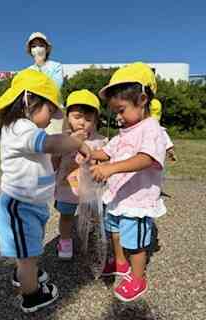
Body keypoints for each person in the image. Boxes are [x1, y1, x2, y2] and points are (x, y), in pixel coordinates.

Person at [0, 69, 90, 313]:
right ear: (28, 101)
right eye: (50, 110)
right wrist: (76, 141)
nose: (52, 116)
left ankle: (24, 270)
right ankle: (31, 295)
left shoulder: (25, 128)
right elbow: (50, 143)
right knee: (27, 251)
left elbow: (48, 144)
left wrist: (70, 142)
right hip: (20, 205)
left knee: (28, 248)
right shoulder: (20, 127)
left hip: (30, 203)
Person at [89, 62, 167, 302]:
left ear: (142, 100)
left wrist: (111, 168)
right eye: (115, 112)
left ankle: (138, 276)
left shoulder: (151, 128)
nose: (118, 117)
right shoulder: (125, 131)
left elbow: (146, 158)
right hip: (117, 197)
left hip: (137, 201)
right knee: (115, 232)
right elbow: (107, 152)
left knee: (135, 243)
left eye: (121, 110)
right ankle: (120, 263)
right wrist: (87, 152)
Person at [54, 89, 108, 260]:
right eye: (77, 117)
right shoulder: (61, 139)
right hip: (67, 188)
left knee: (94, 218)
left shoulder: (101, 140)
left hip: (92, 190)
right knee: (67, 216)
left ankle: (92, 241)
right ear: (67, 117)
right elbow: (53, 164)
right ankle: (65, 242)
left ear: (96, 120)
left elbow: (106, 163)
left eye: (88, 119)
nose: (82, 123)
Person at [26, 31, 64, 134]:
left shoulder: (56, 66)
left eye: (41, 45)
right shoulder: (27, 71)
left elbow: (55, 86)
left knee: (55, 143)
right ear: (30, 51)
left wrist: (41, 65)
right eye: (33, 46)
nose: (37, 49)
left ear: (47, 49)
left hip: (55, 110)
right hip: (34, 111)